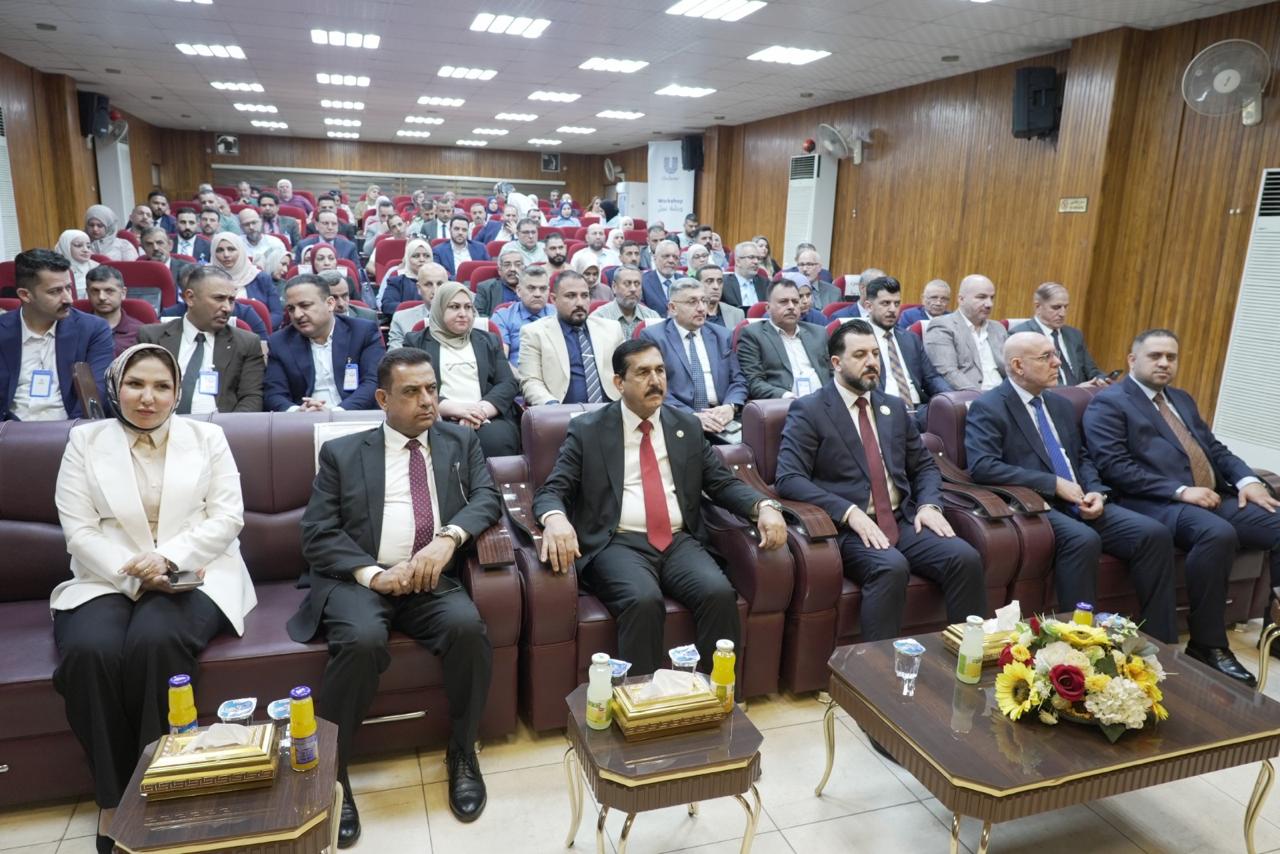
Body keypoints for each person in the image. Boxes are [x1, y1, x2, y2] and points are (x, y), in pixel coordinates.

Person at [51, 343, 256, 853]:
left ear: (177, 392)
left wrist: (166, 559)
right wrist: (136, 573)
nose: (148, 397)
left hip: (196, 570)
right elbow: (79, 531)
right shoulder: (84, 441)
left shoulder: (207, 436)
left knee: (156, 641)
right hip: (107, 574)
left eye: (162, 386)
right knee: (90, 652)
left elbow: (227, 517)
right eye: (136, 384)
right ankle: (112, 796)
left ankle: (160, 785)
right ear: (116, 387)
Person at [289, 348, 500, 840]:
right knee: (362, 640)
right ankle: (333, 770)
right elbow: (317, 533)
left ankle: (462, 750)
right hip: (362, 579)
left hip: (429, 577)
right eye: (412, 392)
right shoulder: (343, 453)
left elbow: (487, 498)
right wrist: (372, 575)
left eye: (432, 389)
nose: (427, 401)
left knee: (468, 629)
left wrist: (449, 539)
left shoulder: (460, 441)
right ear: (383, 399)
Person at [533, 338, 788, 674]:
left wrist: (764, 506)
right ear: (619, 382)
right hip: (617, 542)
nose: (655, 381)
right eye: (643, 373)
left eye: (660, 371)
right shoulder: (588, 429)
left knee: (718, 594)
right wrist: (555, 519)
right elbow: (553, 489)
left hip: (678, 540)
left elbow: (721, 483)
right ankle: (643, 701)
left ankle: (716, 694)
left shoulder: (685, 425)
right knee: (643, 601)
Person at [965, 332, 1186, 665]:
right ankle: (1081, 650)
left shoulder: (1060, 404)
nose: (1057, 362)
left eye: (1055, 354)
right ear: (1018, 366)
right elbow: (983, 466)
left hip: (1081, 498)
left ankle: (1162, 647)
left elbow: (1081, 457)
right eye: (1045, 357)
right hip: (1037, 505)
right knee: (1083, 540)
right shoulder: (990, 406)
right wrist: (1052, 484)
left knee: (1153, 534)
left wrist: (1096, 490)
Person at [1083, 328, 1280, 681]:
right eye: (1155, 356)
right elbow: (1114, 467)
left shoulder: (1181, 399)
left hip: (1211, 496)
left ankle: (1276, 632)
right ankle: (1208, 644)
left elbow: (1215, 449)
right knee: (1216, 534)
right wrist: (1179, 490)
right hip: (1153, 502)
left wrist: (1248, 481)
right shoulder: (1109, 402)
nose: (1164, 363)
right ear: (1132, 360)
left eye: (1170, 357)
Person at [774, 318, 985, 640]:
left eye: (875, 353)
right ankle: (876, 667)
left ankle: (970, 653)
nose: (872, 362)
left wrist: (929, 505)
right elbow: (789, 478)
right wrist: (848, 512)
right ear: (836, 363)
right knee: (890, 567)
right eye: (860, 355)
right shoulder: (810, 409)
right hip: (847, 528)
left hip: (901, 518)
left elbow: (924, 467)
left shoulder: (893, 407)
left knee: (964, 558)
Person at [402, 284, 521, 456]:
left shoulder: (489, 340)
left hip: (487, 416)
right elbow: (412, 386)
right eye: (454, 307)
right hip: (437, 415)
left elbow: (507, 383)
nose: (463, 313)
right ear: (439, 309)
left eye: (468, 307)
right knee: (445, 444)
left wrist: (479, 411)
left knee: (497, 440)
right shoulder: (416, 342)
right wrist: (456, 409)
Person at [1, 249, 112, 421]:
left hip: (71, 428)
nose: (68, 299)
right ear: (25, 295)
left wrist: (70, 431)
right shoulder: (3, 330)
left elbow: (96, 393)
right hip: (9, 429)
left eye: (68, 288)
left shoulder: (93, 329)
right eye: (55, 291)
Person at [137, 267, 264, 413]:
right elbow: (137, 388)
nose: (227, 308)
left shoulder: (246, 343)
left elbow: (251, 397)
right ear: (190, 298)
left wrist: (228, 426)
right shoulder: (152, 338)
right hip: (162, 422)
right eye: (219, 298)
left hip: (222, 425)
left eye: (231, 300)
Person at [640, 278, 747, 438]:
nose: (702, 308)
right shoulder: (654, 337)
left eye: (704, 301)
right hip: (677, 419)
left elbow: (738, 380)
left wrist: (730, 407)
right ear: (673, 308)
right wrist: (691, 416)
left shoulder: (722, 335)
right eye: (692, 302)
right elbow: (653, 387)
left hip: (722, 417)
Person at [264, 276, 385, 411]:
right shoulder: (279, 342)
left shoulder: (362, 332)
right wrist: (296, 411)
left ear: (330, 304)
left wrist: (336, 413)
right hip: (304, 418)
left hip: (352, 415)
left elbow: (372, 382)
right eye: (291, 309)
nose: (297, 315)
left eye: (305, 305)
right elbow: (274, 393)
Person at [518, 271, 625, 405]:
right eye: (571, 296)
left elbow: (627, 373)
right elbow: (530, 381)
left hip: (611, 409)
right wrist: (551, 406)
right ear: (553, 299)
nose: (580, 303)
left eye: (584, 295)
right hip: (562, 412)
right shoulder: (534, 333)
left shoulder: (612, 329)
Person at [861, 276, 952, 427]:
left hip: (918, 409)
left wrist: (952, 398)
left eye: (896, 303)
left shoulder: (910, 338)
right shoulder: (859, 339)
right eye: (885, 303)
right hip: (882, 408)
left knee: (956, 417)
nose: (892, 309)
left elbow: (931, 378)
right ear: (868, 306)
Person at [736, 278, 830, 399]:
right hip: (784, 404)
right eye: (784, 302)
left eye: (795, 302)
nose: (791, 307)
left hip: (825, 401)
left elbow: (835, 372)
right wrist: (787, 396)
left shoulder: (819, 333)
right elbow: (754, 381)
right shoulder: (752, 334)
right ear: (768, 308)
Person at [1010, 283, 1107, 386]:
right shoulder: (1021, 336)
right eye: (1056, 307)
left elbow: (1092, 371)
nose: (1062, 314)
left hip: (1084, 393)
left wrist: (1101, 379)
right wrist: (1074, 390)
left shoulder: (1074, 335)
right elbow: (1029, 380)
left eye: (1065, 307)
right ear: (1038, 307)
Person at [923, 274, 1007, 392]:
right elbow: (948, 372)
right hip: (971, 395)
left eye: (991, 298)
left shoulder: (998, 328)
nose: (989, 304)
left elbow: (1011, 369)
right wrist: (981, 397)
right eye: (981, 297)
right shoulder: (942, 326)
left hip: (1005, 394)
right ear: (961, 299)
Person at [210, 232, 285, 328]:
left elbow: (277, 314)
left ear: (240, 250)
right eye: (220, 250)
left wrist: (258, 329)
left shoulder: (260, 278)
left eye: (231, 249)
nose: (226, 254)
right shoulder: (207, 280)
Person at [85, 266, 144, 356]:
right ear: (88, 293)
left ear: (123, 293)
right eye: (95, 291)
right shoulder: (76, 329)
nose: (101, 297)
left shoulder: (140, 332)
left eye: (109, 291)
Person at [388, 262, 446, 349]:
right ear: (419, 288)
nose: (435, 290)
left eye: (440, 284)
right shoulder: (401, 319)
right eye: (428, 284)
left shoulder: (462, 317)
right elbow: (395, 355)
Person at [593, 266, 660, 339]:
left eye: (637, 284)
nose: (633, 289)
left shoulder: (652, 317)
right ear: (614, 287)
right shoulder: (600, 317)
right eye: (627, 283)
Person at [381, 240, 435, 316]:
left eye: (426, 256)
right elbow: (388, 306)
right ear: (408, 259)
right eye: (416, 256)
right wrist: (421, 309)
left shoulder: (442, 281)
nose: (422, 260)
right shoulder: (397, 282)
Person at [294, 212, 361, 271]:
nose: (330, 227)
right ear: (316, 226)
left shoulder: (349, 247)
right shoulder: (303, 246)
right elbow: (296, 271)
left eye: (334, 224)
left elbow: (356, 272)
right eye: (325, 223)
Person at [475, 245, 525, 317]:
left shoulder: (533, 287)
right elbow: (477, 315)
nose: (513, 269)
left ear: (524, 268)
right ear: (499, 270)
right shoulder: (486, 288)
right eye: (507, 265)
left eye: (517, 265)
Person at [697, 264, 745, 329]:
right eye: (709, 281)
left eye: (720, 281)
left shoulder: (736, 314)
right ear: (698, 285)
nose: (716, 287)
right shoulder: (690, 314)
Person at [722, 241, 769, 308]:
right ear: (738, 261)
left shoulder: (765, 284)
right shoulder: (724, 284)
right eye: (751, 257)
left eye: (758, 258)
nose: (756, 262)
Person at [640, 240, 682, 313]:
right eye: (666, 256)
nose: (671, 260)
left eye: (675, 257)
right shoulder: (643, 282)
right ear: (655, 258)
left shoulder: (686, 281)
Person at [54, 229, 99, 297]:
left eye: (88, 246)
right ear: (66, 247)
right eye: (78, 245)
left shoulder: (97, 267)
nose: (85, 250)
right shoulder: (55, 270)